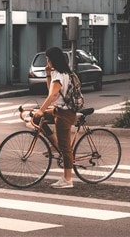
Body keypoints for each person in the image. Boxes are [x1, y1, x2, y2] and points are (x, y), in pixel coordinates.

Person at [33, 47, 77, 189]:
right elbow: (52, 92)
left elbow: (52, 96)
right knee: (37, 119)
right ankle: (54, 145)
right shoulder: (61, 73)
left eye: (47, 59)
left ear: (53, 60)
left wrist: (41, 110)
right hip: (59, 110)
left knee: (66, 149)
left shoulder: (59, 76)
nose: (47, 61)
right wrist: (47, 75)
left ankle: (67, 179)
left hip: (64, 114)